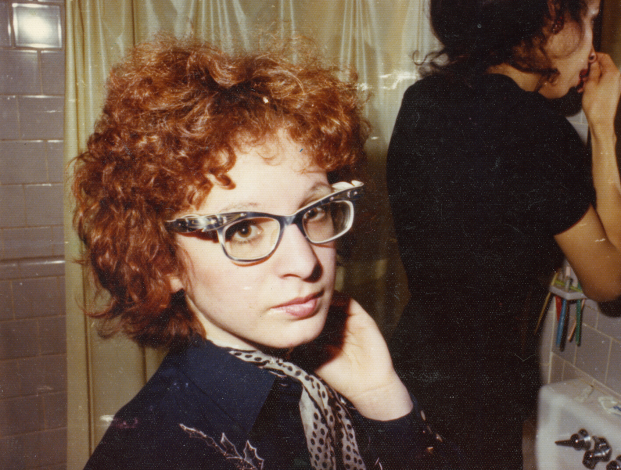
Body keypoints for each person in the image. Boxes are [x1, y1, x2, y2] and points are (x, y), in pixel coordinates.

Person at [73, 35, 460, 470]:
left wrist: (382, 398)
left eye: (315, 211)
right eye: (243, 229)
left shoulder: (333, 388)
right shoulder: (153, 451)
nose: (306, 263)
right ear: (161, 261)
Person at [386, 0, 621, 467]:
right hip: (479, 392)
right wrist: (602, 128)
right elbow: (608, 280)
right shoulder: (540, 129)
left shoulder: (422, 100)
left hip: (408, 366)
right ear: (552, 14)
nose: (592, 43)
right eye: (590, 18)